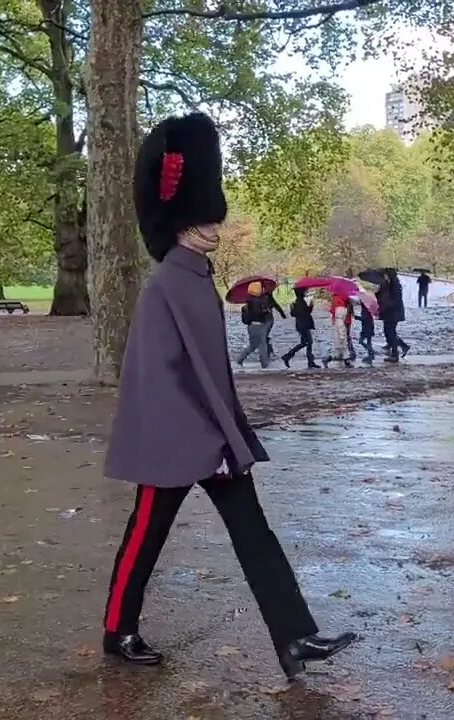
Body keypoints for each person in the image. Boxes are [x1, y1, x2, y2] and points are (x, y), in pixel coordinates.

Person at [103, 111, 355, 678]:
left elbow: (209, 371)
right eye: (203, 221)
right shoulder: (172, 278)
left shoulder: (193, 274)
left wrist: (225, 435)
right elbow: (171, 374)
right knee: (145, 536)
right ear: (180, 225)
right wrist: (222, 436)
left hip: (209, 435)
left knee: (254, 533)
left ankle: (295, 637)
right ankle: (118, 630)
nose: (215, 227)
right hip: (177, 438)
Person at [236, 282, 273, 368]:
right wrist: (266, 311)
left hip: (251, 326)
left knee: (253, 345)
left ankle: (239, 360)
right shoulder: (256, 301)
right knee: (262, 346)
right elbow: (257, 313)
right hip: (258, 326)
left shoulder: (248, 302)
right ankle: (265, 365)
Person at [281, 287, 319, 369]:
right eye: (304, 291)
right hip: (304, 325)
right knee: (309, 342)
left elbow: (294, 314)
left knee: (304, 343)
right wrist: (311, 306)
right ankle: (309, 362)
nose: (305, 293)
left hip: (300, 325)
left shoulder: (297, 302)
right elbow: (305, 313)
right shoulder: (300, 302)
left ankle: (288, 356)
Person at [377, 270, 409, 362]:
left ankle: (395, 354)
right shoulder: (386, 285)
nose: (384, 277)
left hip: (393, 312)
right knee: (388, 331)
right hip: (388, 312)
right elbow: (381, 297)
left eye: (385, 275)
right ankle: (403, 346)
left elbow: (395, 300)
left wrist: (387, 305)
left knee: (391, 332)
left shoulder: (395, 286)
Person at [322, 292, 354, 368]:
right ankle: (327, 359)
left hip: (338, 324)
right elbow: (341, 330)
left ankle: (345, 361)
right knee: (341, 349)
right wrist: (343, 336)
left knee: (340, 350)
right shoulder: (342, 306)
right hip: (341, 328)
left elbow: (332, 311)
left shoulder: (336, 299)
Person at [264, 288, 286, 357]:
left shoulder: (269, 299)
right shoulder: (265, 299)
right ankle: (269, 351)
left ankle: (269, 351)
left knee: (264, 336)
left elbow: (277, 306)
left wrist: (282, 314)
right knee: (264, 336)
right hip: (267, 320)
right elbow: (277, 306)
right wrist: (282, 314)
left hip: (268, 320)